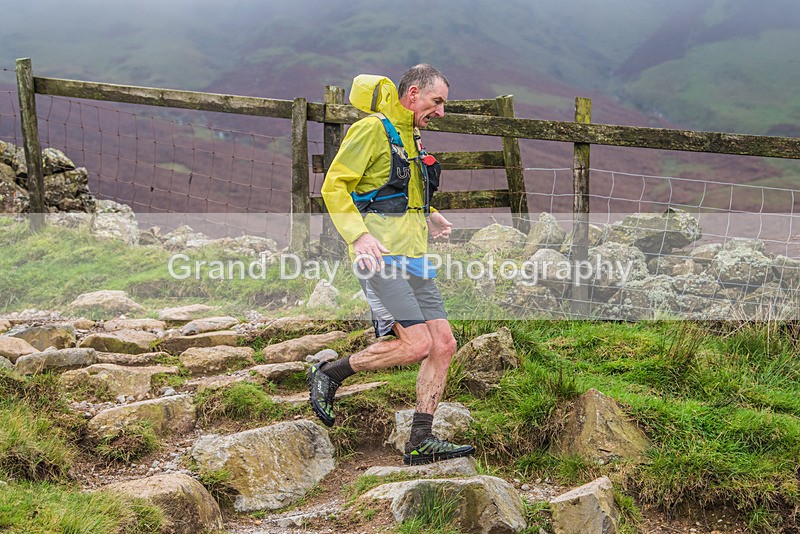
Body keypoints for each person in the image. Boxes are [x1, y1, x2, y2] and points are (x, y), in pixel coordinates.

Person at [308, 64, 474, 466]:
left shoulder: (410, 135)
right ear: (414, 93)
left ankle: (420, 440)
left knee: (444, 345)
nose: (441, 111)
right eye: (438, 102)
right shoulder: (372, 129)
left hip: (414, 259)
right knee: (417, 344)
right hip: (379, 257)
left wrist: (429, 214)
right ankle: (330, 374)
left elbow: (397, 189)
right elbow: (335, 185)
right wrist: (358, 235)